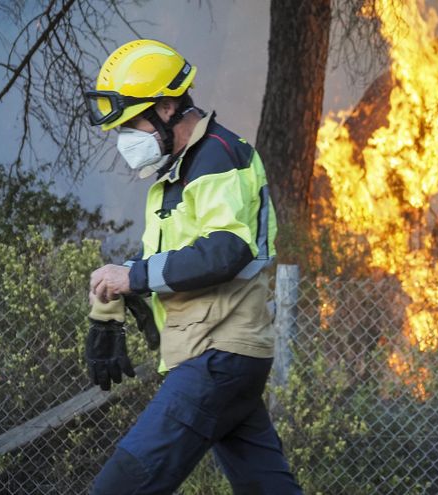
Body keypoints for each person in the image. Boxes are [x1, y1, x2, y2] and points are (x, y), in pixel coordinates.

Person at [82, 39, 303, 495]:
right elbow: (164, 262)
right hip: (222, 356)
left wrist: (135, 277)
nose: (125, 140)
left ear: (166, 107)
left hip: (216, 356)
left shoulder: (217, 156)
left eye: (130, 123)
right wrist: (112, 299)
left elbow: (226, 249)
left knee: (122, 486)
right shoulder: (172, 178)